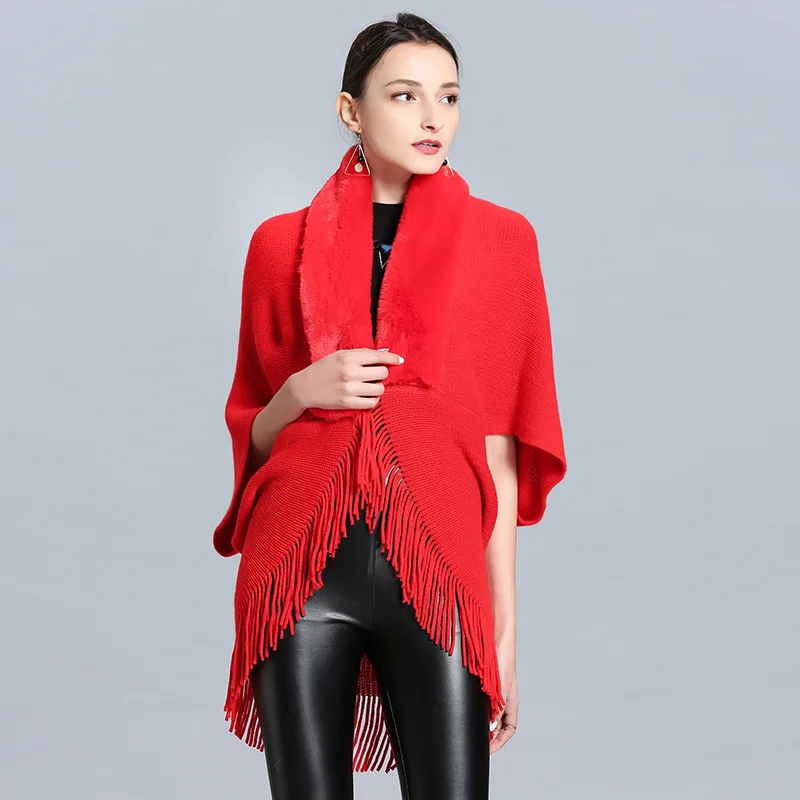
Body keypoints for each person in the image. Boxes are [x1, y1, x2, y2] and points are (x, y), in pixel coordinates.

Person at [212, 12, 567, 800]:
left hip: (438, 567)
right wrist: (300, 392)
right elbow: (256, 433)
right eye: (405, 95)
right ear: (351, 110)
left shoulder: (504, 243)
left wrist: (503, 634)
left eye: (449, 96)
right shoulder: (277, 246)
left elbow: (499, 448)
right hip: (300, 573)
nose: (432, 116)